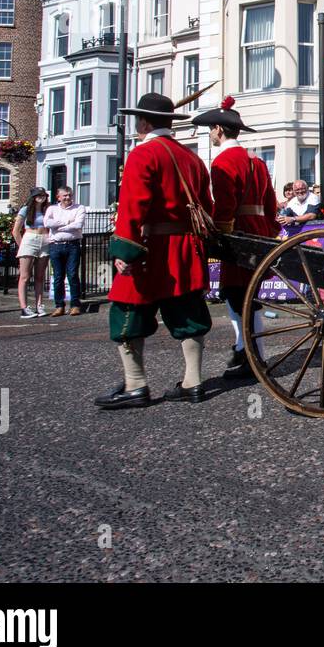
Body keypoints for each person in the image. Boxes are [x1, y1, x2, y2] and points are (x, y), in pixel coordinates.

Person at [93, 93, 214, 410]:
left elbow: (133, 207)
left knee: (127, 312)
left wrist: (125, 249)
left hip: (150, 248)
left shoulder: (143, 154)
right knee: (188, 311)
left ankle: (135, 385)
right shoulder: (193, 159)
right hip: (185, 247)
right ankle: (194, 381)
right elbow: (207, 207)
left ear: (143, 121)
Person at [192, 95, 278, 379]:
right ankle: (248, 351)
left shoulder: (222, 162)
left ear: (218, 129)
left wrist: (218, 234)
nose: (210, 135)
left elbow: (226, 204)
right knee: (248, 296)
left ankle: (250, 354)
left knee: (237, 295)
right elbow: (270, 202)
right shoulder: (257, 161)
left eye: (210, 130)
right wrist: (270, 229)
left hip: (238, 230)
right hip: (258, 229)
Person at [44, 185, 86, 316]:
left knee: (73, 275)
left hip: (72, 245)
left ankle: (75, 305)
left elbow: (78, 225)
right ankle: (59, 305)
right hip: (55, 246)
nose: (68, 197)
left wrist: (59, 227)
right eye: (65, 195)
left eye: (69, 195)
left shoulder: (79, 208)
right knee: (58, 277)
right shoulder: (52, 208)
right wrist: (67, 222)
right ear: (58, 197)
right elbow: (47, 223)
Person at [13, 187, 51, 318]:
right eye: (38, 195)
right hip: (30, 238)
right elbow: (16, 231)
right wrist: (21, 246)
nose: (41, 197)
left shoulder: (48, 209)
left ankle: (39, 305)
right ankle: (24, 307)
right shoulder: (26, 209)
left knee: (40, 276)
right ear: (33, 197)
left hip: (45, 239)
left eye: (43, 195)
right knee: (25, 276)